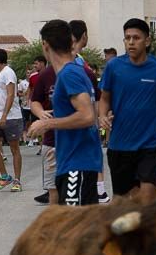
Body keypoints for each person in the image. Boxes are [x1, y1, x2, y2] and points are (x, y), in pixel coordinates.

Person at [98, 18, 156, 204]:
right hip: (120, 145)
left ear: (147, 41)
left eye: (136, 38)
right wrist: (102, 116)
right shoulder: (114, 67)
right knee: (123, 201)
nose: (131, 42)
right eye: (127, 38)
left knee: (147, 196)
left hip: (150, 144)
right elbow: (104, 98)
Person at [28, 20, 103, 206]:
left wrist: (47, 123)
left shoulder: (69, 74)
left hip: (78, 163)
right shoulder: (76, 72)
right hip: (74, 160)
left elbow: (87, 116)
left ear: (45, 45)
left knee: (73, 227)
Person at [67, 20, 109, 202]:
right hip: (80, 126)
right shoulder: (77, 64)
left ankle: (97, 191)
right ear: (84, 36)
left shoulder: (73, 62)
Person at [0, 48, 25, 192]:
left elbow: (11, 95)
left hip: (11, 117)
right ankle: (4, 176)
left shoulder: (8, 72)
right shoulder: (1, 74)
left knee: (14, 149)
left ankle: (17, 180)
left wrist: (4, 115)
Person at [29, 54, 58, 205]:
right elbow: (34, 100)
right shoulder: (44, 75)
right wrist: (41, 113)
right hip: (51, 141)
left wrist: (49, 124)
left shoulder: (83, 73)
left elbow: (88, 115)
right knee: (53, 188)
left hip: (75, 142)